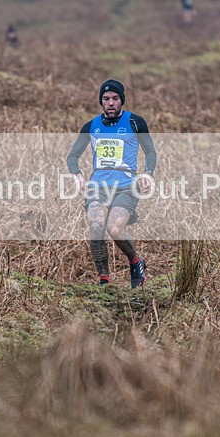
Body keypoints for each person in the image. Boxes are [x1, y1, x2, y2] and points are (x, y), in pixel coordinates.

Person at [66, 79, 157, 287]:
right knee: (97, 225)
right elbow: (73, 155)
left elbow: (150, 152)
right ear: (101, 102)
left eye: (115, 98)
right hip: (97, 186)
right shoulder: (91, 126)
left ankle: (135, 262)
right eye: (106, 99)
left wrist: (147, 174)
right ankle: (104, 280)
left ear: (121, 100)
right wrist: (78, 176)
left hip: (126, 186)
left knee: (114, 229)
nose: (111, 103)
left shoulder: (135, 122)